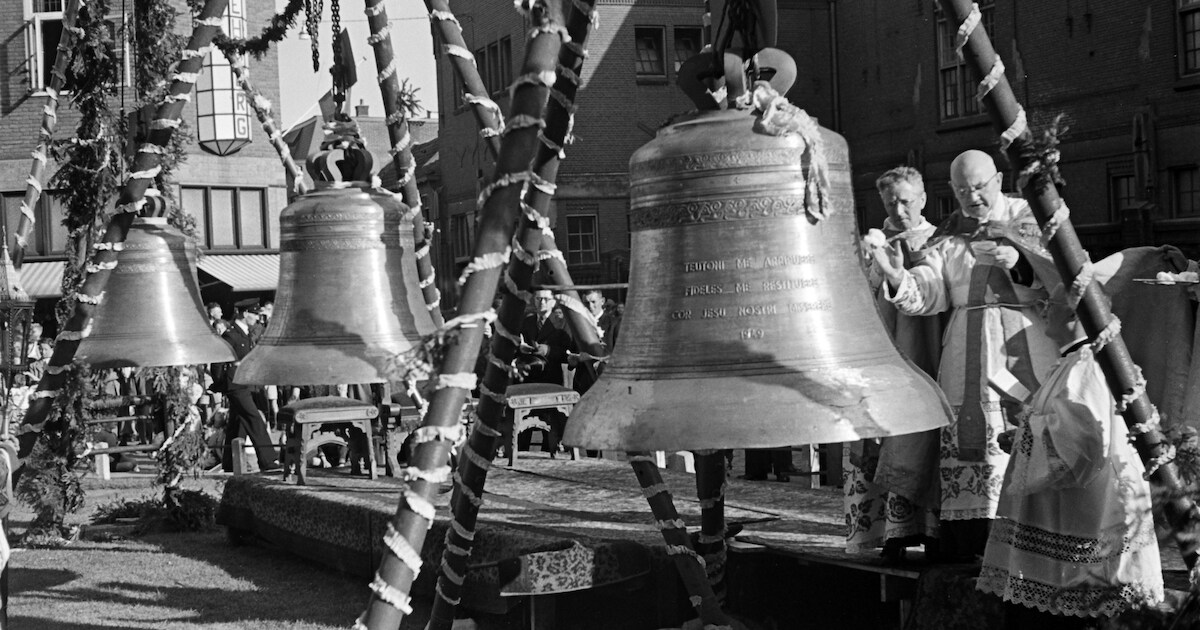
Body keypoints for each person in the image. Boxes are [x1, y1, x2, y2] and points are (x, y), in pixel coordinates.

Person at [870, 150, 1060, 559]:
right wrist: (897, 275)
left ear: (998, 179)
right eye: (961, 190)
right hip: (965, 351)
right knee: (971, 454)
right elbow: (930, 292)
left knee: (1029, 440)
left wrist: (1021, 262)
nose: (972, 197)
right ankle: (972, 545)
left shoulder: (1031, 218)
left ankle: (1033, 545)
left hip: (1025, 341)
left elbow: (1065, 275)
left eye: (978, 187)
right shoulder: (952, 232)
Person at [977, 288, 1163, 624]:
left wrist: (1028, 431)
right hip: (1066, 517)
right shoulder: (1072, 362)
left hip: (1085, 520)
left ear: (1079, 314)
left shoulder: (1088, 366)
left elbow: (1082, 451)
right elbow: (1063, 432)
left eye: (1051, 303)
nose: (1043, 308)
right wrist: (1022, 433)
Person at [845, 166, 942, 558]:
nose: (899, 209)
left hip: (924, 352)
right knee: (880, 437)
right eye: (890, 202)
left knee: (922, 440)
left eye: (906, 200)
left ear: (921, 198)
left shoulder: (940, 241)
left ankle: (932, 531)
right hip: (880, 355)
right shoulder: (874, 243)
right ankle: (891, 532)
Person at [210, 298, 278, 472]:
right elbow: (218, 361)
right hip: (235, 384)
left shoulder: (245, 333)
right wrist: (220, 384)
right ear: (245, 313)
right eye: (254, 314)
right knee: (253, 418)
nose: (257, 318)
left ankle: (229, 462)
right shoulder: (230, 335)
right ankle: (268, 460)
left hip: (244, 383)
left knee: (237, 423)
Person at [513, 289, 574, 456]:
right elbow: (517, 345)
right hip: (528, 379)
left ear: (553, 302)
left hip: (551, 378)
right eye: (538, 299)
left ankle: (553, 450)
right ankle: (522, 452)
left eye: (546, 299)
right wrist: (521, 348)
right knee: (524, 426)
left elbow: (568, 353)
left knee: (551, 423)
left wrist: (548, 350)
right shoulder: (528, 321)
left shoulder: (561, 322)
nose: (542, 303)